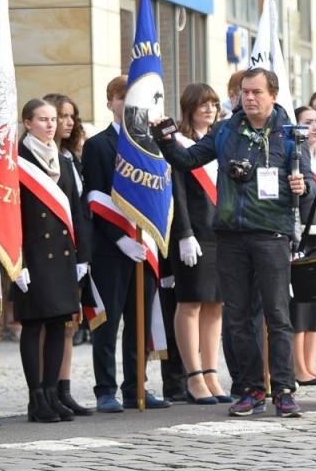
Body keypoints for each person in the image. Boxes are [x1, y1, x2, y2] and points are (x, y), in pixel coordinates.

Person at [158, 67, 309, 419]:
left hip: (271, 234)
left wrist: (303, 186)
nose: (250, 98)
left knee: (277, 315)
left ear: (273, 95)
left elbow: (309, 186)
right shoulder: (225, 130)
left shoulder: (288, 135)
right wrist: (165, 137)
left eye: (257, 92)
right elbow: (187, 159)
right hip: (230, 236)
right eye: (245, 92)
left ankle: (283, 389)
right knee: (237, 318)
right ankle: (250, 388)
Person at [82, 75, 167, 412]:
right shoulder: (97, 145)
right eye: (121, 98)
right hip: (111, 247)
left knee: (139, 321)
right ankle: (105, 389)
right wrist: (119, 238)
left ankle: (136, 387)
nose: (127, 104)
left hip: (143, 245)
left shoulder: (149, 143)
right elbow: (94, 198)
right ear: (110, 103)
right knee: (108, 322)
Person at [14, 99, 92, 422]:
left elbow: (75, 210)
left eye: (52, 119)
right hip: (32, 256)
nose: (50, 125)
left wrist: (82, 256)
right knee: (34, 325)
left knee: (60, 323)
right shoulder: (17, 160)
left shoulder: (62, 159)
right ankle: (36, 400)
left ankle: (51, 393)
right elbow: (11, 215)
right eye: (42, 119)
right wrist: (16, 261)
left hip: (62, 256)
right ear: (27, 123)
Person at [169, 84, 230, 405]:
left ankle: (211, 372)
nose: (209, 109)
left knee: (215, 304)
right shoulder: (178, 143)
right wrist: (184, 233)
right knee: (191, 302)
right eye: (203, 104)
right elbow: (176, 191)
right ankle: (193, 375)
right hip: (192, 233)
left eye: (214, 104)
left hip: (220, 232)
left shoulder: (220, 140)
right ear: (189, 107)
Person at [289, 105, 316, 387]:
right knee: (299, 306)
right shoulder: (295, 155)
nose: (314, 127)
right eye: (307, 122)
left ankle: (310, 365)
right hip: (299, 234)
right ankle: (297, 368)